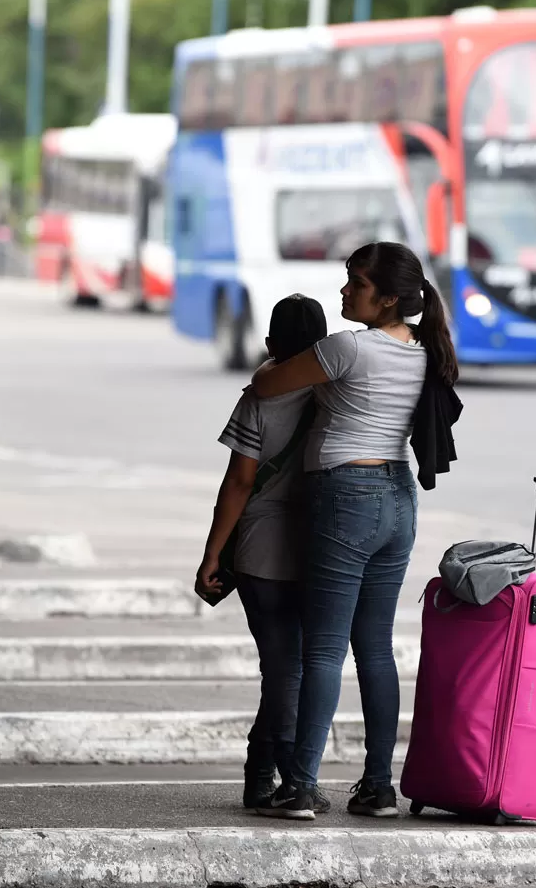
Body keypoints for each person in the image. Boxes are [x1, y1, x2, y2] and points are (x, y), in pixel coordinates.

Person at [249, 241, 459, 821]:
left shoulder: (345, 348)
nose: (343, 292)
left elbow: (268, 386)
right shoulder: (424, 350)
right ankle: (377, 787)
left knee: (321, 649)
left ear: (388, 297)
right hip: (398, 499)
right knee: (375, 649)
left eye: (355, 283)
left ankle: (299, 786)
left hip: (345, 495)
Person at [194, 294, 329, 813]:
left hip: (259, 553)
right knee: (295, 669)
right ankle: (283, 776)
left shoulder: (260, 396)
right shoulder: (338, 391)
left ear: (271, 343)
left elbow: (239, 480)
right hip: (321, 549)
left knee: (281, 669)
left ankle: (266, 774)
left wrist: (212, 554)